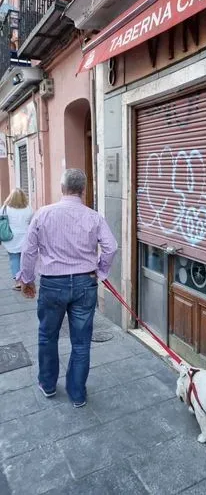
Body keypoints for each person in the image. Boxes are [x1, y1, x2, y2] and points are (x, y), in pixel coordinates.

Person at [18, 169, 117, 408]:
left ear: (62, 189)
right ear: (83, 190)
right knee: (81, 342)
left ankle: (48, 385)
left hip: (52, 284)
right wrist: (100, 271)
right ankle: (77, 393)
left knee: (47, 335)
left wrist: (27, 279)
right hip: (85, 283)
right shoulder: (94, 217)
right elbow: (111, 247)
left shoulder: (43, 214)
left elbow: (28, 251)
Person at [1, 188, 33, 290]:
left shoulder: (5, 208)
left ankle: (18, 281)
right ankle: (25, 279)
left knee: (14, 258)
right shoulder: (28, 208)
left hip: (11, 237)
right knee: (24, 259)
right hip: (25, 236)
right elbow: (32, 221)